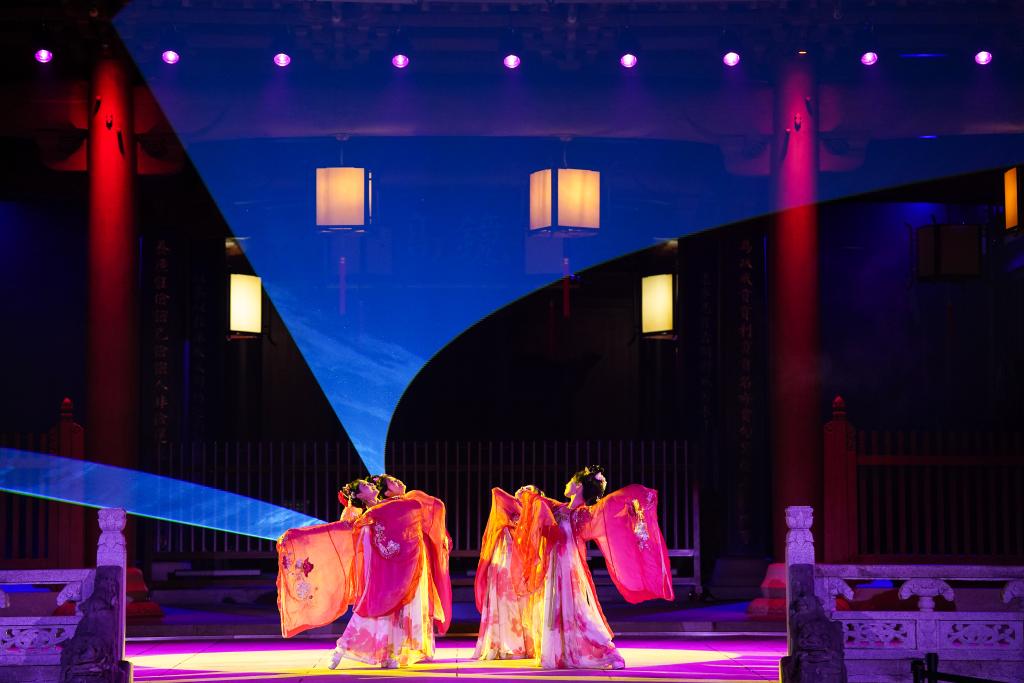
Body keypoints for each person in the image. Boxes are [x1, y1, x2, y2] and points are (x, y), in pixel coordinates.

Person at [516, 465, 675, 669]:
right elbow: (537, 503)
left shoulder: (585, 514)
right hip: (554, 569)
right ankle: (559, 653)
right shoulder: (558, 508)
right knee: (555, 610)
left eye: (570, 481)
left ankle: (607, 653)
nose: (567, 484)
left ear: (578, 486)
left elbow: (612, 506)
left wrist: (632, 508)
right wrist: (527, 493)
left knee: (579, 612)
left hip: (570, 570)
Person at [472, 485, 545, 660]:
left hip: (522, 565)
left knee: (522, 604)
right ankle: (503, 646)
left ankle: (523, 646)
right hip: (503, 562)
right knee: (504, 602)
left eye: (528, 489)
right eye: (523, 486)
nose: (523, 488)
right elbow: (497, 493)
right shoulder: (507, 510)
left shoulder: (534, 514)